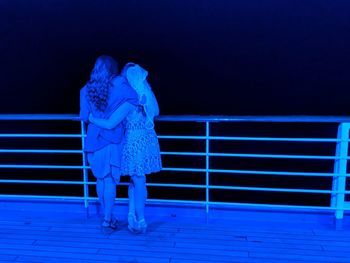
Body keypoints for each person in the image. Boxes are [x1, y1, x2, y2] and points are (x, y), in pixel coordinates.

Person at [89, 63, 162, 233]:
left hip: (133, 142)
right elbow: (156, 112)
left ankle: (141, 219)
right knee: (138, 180)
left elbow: (109, 123)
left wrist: (92, 119)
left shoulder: (129, 102)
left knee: (137, 179)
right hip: (148, 140)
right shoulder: (146, 97)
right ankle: (133, 215)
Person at [80, 56, 138, 232]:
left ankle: (109, 217)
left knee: (100, 180)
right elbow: (136, 99)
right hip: (112, 140)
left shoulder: (85, 89)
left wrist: (93, 118)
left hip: (92, 140)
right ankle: (107, 220)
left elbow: (84, 116)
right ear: (114, 69)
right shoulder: (120, 86)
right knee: (110, 181)